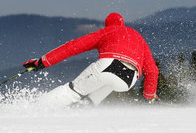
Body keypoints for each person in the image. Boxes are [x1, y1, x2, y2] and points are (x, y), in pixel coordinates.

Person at [23, 12, 159, 107]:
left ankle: (34, 108)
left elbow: (72, 47)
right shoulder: (138, 38)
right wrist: (149, 96)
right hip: (129, 79)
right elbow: (152, 71)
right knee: (106, 85)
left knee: (73, 91)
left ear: (108, 24)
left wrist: (42, 62)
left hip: (109, 66)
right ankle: (82, 111)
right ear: (122, 24)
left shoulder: (107, 31)